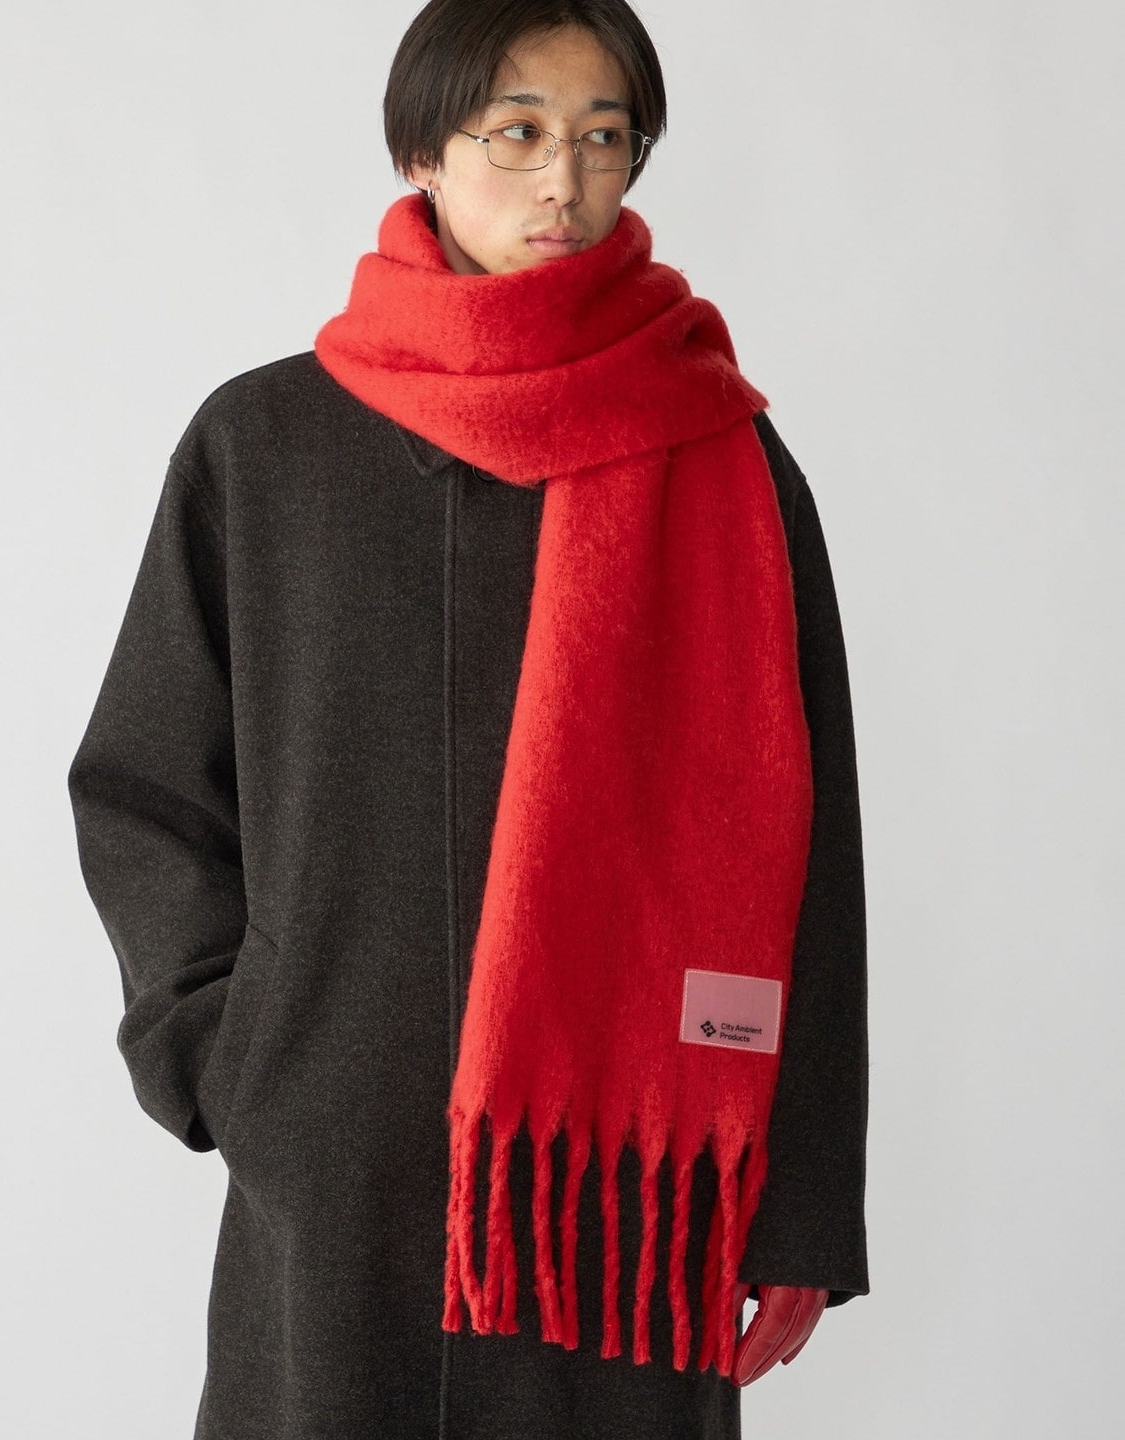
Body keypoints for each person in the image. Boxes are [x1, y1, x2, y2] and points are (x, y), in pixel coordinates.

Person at [68, 1, 868, 1436]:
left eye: (604, 138)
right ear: (424, 151)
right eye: (518, 133)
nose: (565, 181)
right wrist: (238, 1064)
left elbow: (809, 843)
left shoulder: (728, 455)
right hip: (335, 1169)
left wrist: (796, 1198)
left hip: (625, 1199)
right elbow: (147, 787)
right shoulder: (265, 445)